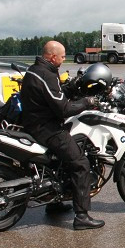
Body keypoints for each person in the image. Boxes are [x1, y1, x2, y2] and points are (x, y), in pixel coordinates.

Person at [21, 40, 106, 230]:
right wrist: (87, 101)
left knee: (58, 162)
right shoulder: (46, 75)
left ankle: (54, 203)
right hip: (46, 128)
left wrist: (72, 87)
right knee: (81, 164)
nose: (64, 58)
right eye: (62, 55)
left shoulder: (37, 70)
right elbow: (64, 109)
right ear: (52, 57)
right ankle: (82, 216)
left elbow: (52, 95)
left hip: (35, 123)